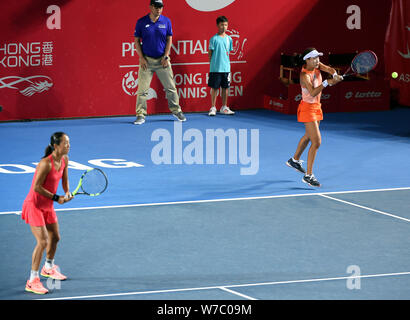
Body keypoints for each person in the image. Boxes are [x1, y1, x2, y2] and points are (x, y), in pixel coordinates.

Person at [22, 132, 73, 294]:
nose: (68, 145)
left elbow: (64, 179)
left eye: (69, 142)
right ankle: (32, 280)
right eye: (65, 143)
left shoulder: (64, 160)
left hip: (48, 205)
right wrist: (57, 197)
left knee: (55, 237)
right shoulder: (45, 164)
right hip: (35, 205)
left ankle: (48, 267)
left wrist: (67, 192)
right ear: (56, 146)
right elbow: (37, 187)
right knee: (43, 241)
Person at [286, 48, 343, 187]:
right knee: (316, 142)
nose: (317, 60)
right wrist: (327, 83)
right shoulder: (304, 76)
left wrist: (335, 76)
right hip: (307, 109)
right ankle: (308, 176)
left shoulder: (317, 65)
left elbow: (329, 69)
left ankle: (294, 160)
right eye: (314, 58)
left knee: (308, 136)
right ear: (307, 60)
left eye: (318, 57)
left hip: (317, 106)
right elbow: (312, 92)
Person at [133, 0, 186, 125]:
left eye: (161, 7)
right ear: (151, 7)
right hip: (147, 61)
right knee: (142, 90)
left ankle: (176, 111)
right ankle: (140, 114)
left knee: (171, 88)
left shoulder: (166, 21)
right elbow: (136, 41)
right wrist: (141, 57)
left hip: (163, 61)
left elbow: (169, 39)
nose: (159, 9)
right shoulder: (141, 22)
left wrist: (166, 56)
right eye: (156, 7)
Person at [207, 16, 235, 116]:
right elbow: (210, 54)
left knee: (225, 88)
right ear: (218, 25)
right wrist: (213, 64)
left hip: (226, 68)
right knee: (214, 88)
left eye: (226, 25)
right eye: (222, 24)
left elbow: (228, 52)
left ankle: (224, 107)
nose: (224, 27)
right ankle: (213, 107)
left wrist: (225, 64)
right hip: (215, 68)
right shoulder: (213, 39)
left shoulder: (229, 39)